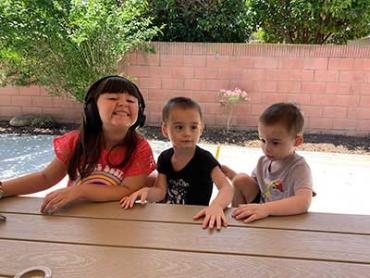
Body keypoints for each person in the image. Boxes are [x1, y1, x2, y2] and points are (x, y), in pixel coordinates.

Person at [0, 75, 156, 214]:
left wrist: (81, 191)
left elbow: (126, 190)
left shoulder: (140, 149)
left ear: (140, 113)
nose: (122, 103)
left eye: (130, 100)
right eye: (113, 98)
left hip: (117, 218)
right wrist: (3, 189)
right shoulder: (76, 141)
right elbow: (46, 177)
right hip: (74, 216)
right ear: (92, 109)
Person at [120, 97, 234, 230]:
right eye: (179, 127)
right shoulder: (165, 158)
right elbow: (161, 192)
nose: (187, 133)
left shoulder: (205, 159)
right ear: (165, 129)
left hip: (197, 221)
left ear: (201, 129)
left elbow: (226, 188)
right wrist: (146, 192)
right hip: (169, 219)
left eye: (193, 127)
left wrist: (217, 206)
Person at [222, 102, 314, 223]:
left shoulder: (299, 167)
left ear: (296, 141)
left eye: (275, 142)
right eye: (263, 140)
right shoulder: (263, 162)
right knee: (240, 179)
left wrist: (266, 209)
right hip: (260, 211)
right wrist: (232, 175)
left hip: (285, 219)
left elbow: (303, 202)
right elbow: (254, 186)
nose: (267, 148)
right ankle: (236, 222)